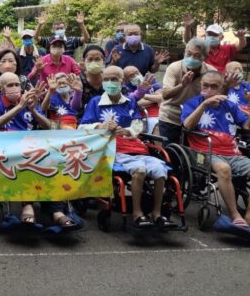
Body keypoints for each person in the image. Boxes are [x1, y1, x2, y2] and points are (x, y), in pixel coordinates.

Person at [80, 66, 175, 229]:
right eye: (107, 79)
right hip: (111, 149)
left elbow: (138, 124)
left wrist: (127, 130)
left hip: (136, 148)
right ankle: (137, 214)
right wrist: (100, 126)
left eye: (114, 79)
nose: (110, 82)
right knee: (140, 170)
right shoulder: (95, 102)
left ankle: (157, 213)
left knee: (161, 171)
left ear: (122, 81)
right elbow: (81, 127)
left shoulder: (130, 101)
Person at [0, 72, 77, 228]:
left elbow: (49, 126)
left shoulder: (30, 101)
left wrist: (33, 110)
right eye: (10, 85)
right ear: (2, 88)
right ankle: (27, 205)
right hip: (7, 148)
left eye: (17, 84)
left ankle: (56, 210)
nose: (15, 88)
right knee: (28, 161)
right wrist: (19, 107)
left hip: (33, 145)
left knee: (53, 160)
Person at [182, 70, 250, 229]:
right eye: (206, 86)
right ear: (200, 85)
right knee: (224, 169)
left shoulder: (230, 105)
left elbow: (246, 126)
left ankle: (248, 215)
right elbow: (187, 126)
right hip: (204, 151)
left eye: (214, 87)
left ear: (221, 88)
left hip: (233, 152)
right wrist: (204, 104)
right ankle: (235, 214)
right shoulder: (192, 103)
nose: (209, 89)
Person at [158, 38, 215, 145]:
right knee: (172, 153)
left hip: (195, 118)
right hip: (171, 116)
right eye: (189, 54)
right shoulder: (174, 68)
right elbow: (165, 94)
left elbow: (218, 93)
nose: (191, 58)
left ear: (204, 57)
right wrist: (182, 85)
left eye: (197, 56)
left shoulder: (211, 72)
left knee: (193, 154)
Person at [123, 66, 162, 134]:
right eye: (131, 75)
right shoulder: (126, 88)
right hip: (143, 116)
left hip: (161, 112)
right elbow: (138, 104)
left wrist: (145, 97)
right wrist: (154, 97)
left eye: (137, 73)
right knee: (158, 125)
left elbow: (162, 96)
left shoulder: (149, 80)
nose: (136, 76)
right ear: (126, 80)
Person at [78, 45, 106, 112]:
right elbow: (74, 107)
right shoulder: (79, 80)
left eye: (97, 59)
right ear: (83, 61)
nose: (94, 62)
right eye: (90, 59)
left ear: (104, 60)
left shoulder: (110, 78)